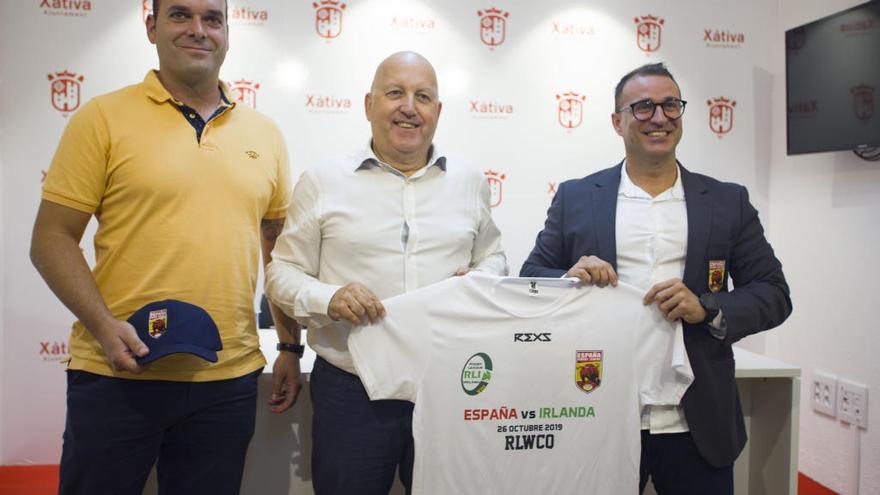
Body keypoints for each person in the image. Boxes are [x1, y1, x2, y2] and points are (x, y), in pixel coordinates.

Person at [29, 0, 301, 493]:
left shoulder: (266, 135)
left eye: (212, 18)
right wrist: (104, 327)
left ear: (226, 32)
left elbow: (277, 253)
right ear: (152, 27)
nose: (198, 30)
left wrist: (287, 345)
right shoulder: (102, 118)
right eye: (180, 15)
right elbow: (51, 239)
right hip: (119, 372)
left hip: (227, 378)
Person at [520, 62, 792, 495]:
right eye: (643, 107)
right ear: (617, 121)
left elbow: (774, 294)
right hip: (596, 412)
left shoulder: (727, 201)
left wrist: (707, 307)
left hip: (697, 423)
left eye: (670, 105)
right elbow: (531, 277)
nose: (660, 117)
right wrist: (571, 277)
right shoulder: (575, 197)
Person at [265, 51, 507, 495]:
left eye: (423, 96)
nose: (408, 107)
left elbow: (494, 257)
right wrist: (329, 298)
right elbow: (281, 273)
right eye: (394, 93)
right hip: (352, 390)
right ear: (368, 104)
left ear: (438, 111)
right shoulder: (323, 180)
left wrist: (479, 279)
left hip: (451, 387)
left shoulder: (470, 181)